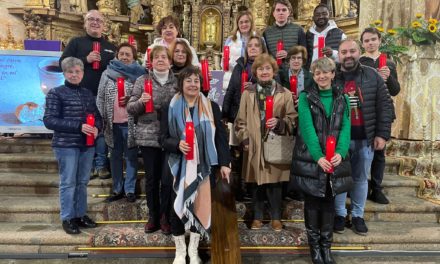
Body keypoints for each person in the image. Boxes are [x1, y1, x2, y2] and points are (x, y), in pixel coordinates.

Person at [161, 66, 231, 264]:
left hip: (204, 167)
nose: (193, 84)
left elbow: (221, 138)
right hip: (177, 165)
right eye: (188, 80)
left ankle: (193, 251)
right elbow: (162, 138)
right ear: (181, 84)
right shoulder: (170, 106)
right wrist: (176, 144)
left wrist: (225, 163)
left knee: (199, 205)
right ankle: (180, 252)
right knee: (177, 207)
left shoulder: (211, 106)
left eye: (196, 81)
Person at [291, 57, 351, 264]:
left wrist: (341, 153)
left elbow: (345, 127)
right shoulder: (306, 97)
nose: (322, 76)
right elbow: (307, 129)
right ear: (313, 76)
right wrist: (318, 157)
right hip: (312, 158)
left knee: (329, 202)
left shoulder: (342, 98)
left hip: (334, 158)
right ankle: (315, 249)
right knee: (312, 203)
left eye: (326, 72)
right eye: (317, 73)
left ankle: (327, 248)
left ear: (333, 74)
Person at [333, 39, 393, 236]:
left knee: (360, 178)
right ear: (339, 55)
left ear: (359, 52)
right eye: (344, 52)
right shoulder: (332, 76)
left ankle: (358, 215)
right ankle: (340, 214)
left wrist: (382, 134)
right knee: (340, 178)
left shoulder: (372, 75)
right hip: (340, 139)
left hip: (364, 138)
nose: (348, 55)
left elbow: (385, 106)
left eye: (352, 51)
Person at [235, 53, 297, 231]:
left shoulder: (284, 93)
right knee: (256, 183)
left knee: (275, 184)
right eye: (260, 69)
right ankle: (258, 216)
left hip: (275, 144)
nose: (264, 72)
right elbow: (240, 120)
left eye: (267, 68)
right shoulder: (248, 93)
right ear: (255, 72)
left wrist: (279, 123)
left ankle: (276, 217)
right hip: (254, 144)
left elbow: (292, 118)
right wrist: (245, 138)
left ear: (274, 70)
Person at [43, 57, 102, 234]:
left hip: (87, 144)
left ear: (83, 73)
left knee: (82, 182)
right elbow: (49, 120)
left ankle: (80, 214)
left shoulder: (87, 93)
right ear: (65, 73)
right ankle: (67, 217)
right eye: (70, 71)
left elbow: (97, 117)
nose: (74, 74)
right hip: (66, 145)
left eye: (77, 71)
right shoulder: (56, 93)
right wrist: (78, 126)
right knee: (68, 182)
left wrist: (98, 128)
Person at [127, 45, 177, 235]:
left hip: (171, 137)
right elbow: (130, 108)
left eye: (164, 57)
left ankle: (165, 216)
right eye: (157, 57)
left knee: (167, 180)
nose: (161, 60)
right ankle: (153, 216)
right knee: (151, 180)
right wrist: (141, 101)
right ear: (151, 61)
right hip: (148, 136)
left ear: (170, 61)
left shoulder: (177, 81)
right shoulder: (142, 80)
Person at [60, 9, 116, 179]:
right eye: (91, 19)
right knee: (83, 130)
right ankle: (87, 165)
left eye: (98, 20)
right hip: (78, 95)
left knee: (100, 131)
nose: (95, 22)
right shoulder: (76, 43)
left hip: (103, 96)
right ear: (85, 23)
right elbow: (62, 63)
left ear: (104, 25)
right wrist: (86, 60)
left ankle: (100, 165)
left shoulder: (110, 47)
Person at [96, 43, 146, 203]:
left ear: (134, 57)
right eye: (122, 54)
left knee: (131, 157)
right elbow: (100, 97)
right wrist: (101, 118)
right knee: (115, 157)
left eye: (128, 54)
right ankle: (117, 188)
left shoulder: (140, 75)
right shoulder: (107, 73)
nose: (124, 57)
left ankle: (129, 189)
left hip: (131, 123)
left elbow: (144, 97)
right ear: (117, 55)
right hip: (112, 123)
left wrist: (131, 97)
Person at [222, 35, 266, 200]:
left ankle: (252, 188)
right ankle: (239, 188)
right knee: (238, 153)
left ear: (262, 49)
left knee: (253, 154)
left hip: (257, 118)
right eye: (250, 46)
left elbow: (273, 89)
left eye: (256, 45)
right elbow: (231, 90)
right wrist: (225, 113)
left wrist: (256, 86)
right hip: (238, 115)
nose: (253, 48)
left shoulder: (266, 66)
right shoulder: (240, 66)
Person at [359, 27, 400, 205]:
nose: (370, 43)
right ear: (362, 44)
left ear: (380, 41)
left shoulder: (389, 63)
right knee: (360, 150)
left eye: (373, 39)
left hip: (383, 111)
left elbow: (395, 90)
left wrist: (389, 77)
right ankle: (360, 185)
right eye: (366, 40)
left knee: (379, 152)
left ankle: (376, 187)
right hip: (364, 111)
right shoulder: (359, 62)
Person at [263, 0, 306, 66]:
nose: (281, 13)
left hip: (293, 70)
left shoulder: (298, 30)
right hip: (274, 71)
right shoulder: (266, 32)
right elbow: (265, 55)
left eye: (284, 10)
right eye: (278, 10)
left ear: (289, 12)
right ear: (273, 13)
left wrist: (289, 55)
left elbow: (304, 52)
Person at [222, 10, 257, 88]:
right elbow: (223, 65)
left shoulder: (259, 39)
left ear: (251, 23)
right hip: (232, 80)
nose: (244, 24)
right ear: (237, 24)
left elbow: (264, 60)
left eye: (246, 21)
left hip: (252, 81)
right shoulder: (230, 40)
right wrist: (226, 62)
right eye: (241, 22)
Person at [305, 4, 346, 69]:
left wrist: (332, 54)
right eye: (317, 15)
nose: (321, 17)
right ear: (313, 18)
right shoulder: (308, 35)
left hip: (332, 74)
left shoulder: (339, 34)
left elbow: (346, 56)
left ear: (329, 15)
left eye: (324, 14)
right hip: (312, 74)